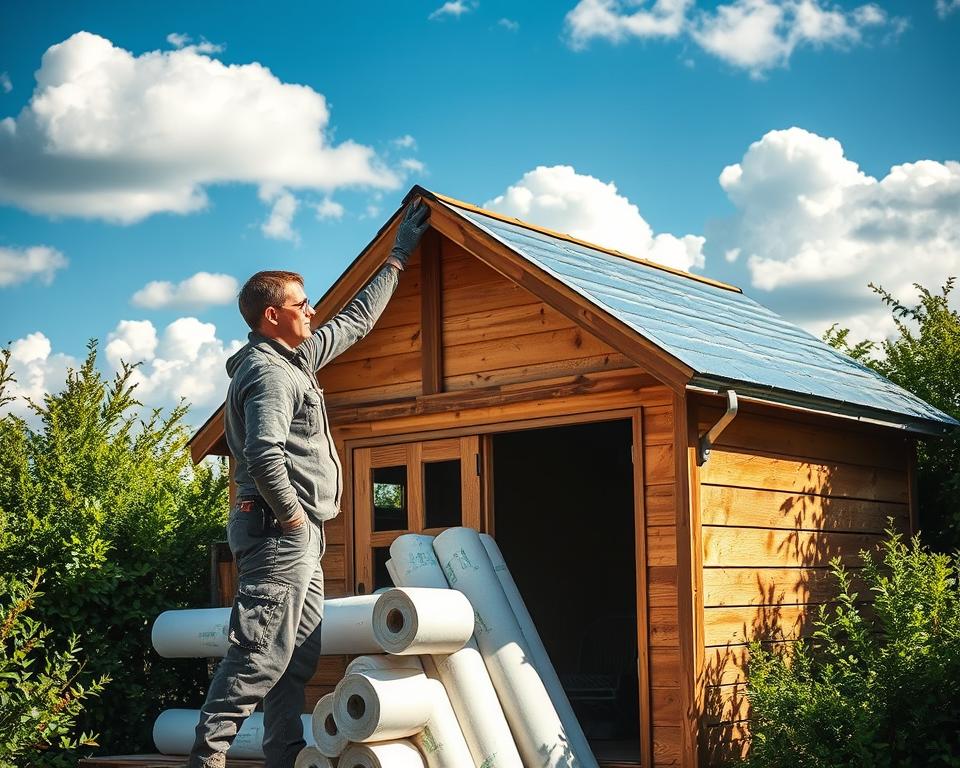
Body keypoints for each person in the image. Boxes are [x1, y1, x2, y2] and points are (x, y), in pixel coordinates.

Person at [188, 201, 431, 768]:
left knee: (297, 655)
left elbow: (354, 324)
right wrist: (296, 518)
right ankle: (208, 759)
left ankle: (284, 757)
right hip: (280, 534)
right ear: (272, 316)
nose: (313, 310)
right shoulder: (269, 372)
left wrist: (397, 257)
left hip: (297, 535)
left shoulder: (295, 359)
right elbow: (263, 452)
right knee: (258, 655)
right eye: (301, 304)